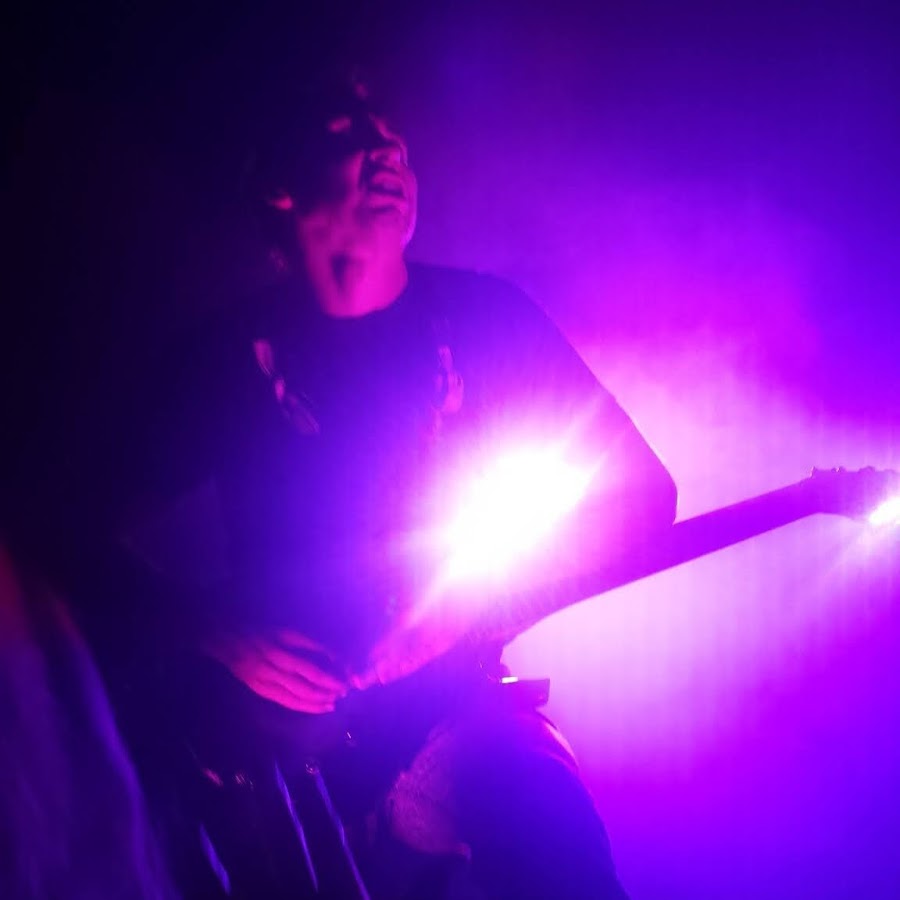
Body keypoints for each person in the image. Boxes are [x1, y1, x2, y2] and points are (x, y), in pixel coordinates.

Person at [92, 74, 678, 898]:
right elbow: (65, 531)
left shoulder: (488, 320)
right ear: (278, 184)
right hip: (268, 761)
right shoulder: (221, 360)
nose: (388, 148)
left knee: (543, 809)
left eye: (392, 133)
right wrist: (216, 633)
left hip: (459, 713)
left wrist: (463, 607)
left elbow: (645, 499)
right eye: (348, 130)